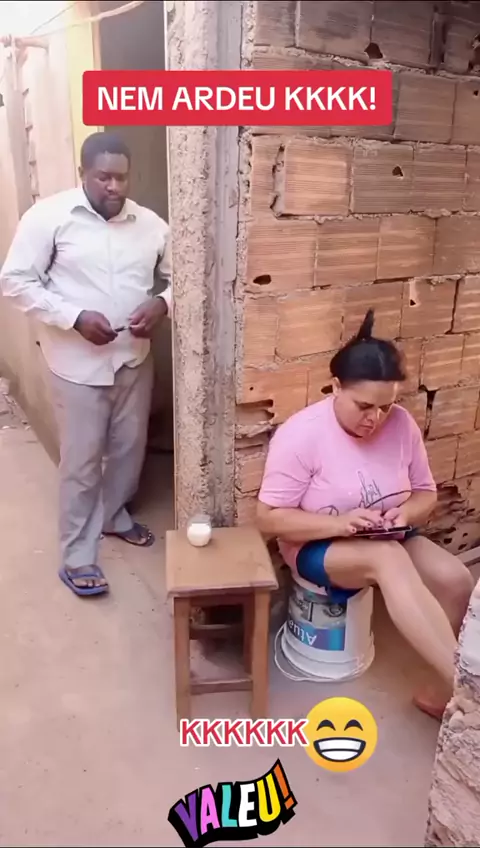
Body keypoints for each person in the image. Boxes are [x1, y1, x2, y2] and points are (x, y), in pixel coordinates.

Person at [256, 309, 474, 720]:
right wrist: (339, 524)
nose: (375, 419)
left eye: (386, 407)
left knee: (456, 579)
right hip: (317, 544)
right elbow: (268, 518)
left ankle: (440, 690)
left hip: (385, 533)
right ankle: (468, 694)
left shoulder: (402, 425)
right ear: (335, 387)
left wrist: (403, 513)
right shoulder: (302, 434)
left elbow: (425, 493)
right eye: (364, 406)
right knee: (388, 560)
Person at [0, 131, 172, 597]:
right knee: (81, 462)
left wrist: (162, 304)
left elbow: (185, 275)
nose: (114, 187)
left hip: (133, 359)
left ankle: (113, 515)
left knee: (129, 449)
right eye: (103, 177)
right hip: (76, 365)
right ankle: (77, 554)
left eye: (121, 177)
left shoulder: (150, 225)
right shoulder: (49, 218)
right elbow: (15, 281)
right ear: (83, 174)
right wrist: (73, 317)